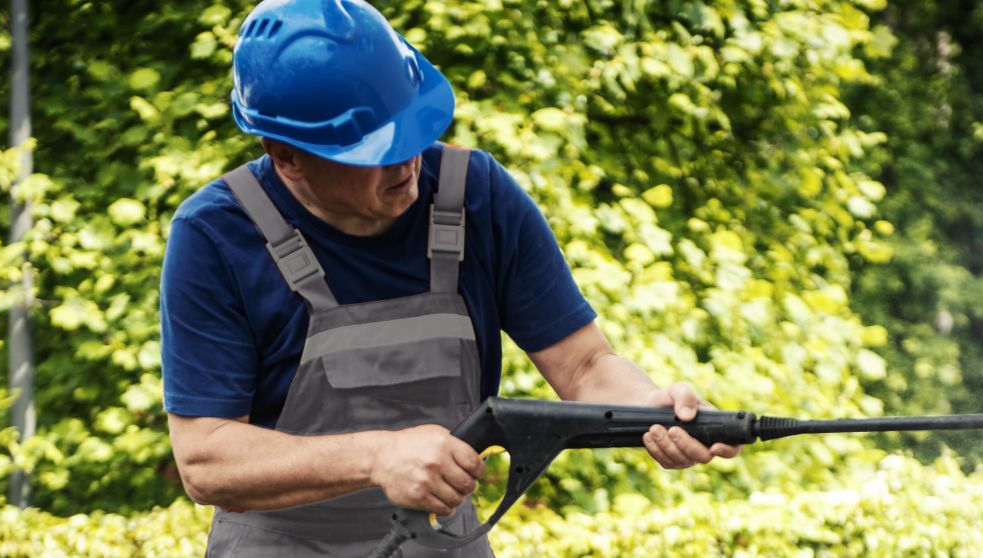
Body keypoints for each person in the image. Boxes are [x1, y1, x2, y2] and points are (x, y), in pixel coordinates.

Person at [160, 0, 740, 554]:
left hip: (444, 543)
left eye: (414, 130)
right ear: (287, 157)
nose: (409, 163)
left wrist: (652, 407)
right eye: (375, 150)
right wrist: (377, 458)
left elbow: (585, 365)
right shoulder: (216, 236)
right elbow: (206, 459)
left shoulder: (477, 197)